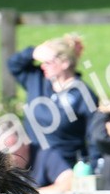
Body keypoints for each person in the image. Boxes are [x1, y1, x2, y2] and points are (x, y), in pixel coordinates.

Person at [7, 33, 99, 166]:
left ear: (65, 63)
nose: (43, 66)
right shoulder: (37, 79)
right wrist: (32, 52)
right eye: (42, 62)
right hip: (34, 167)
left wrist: (94, 167)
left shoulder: (83, 94)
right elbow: (13, 64)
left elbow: (94, 137)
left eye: (48, 62)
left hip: (66, 168)